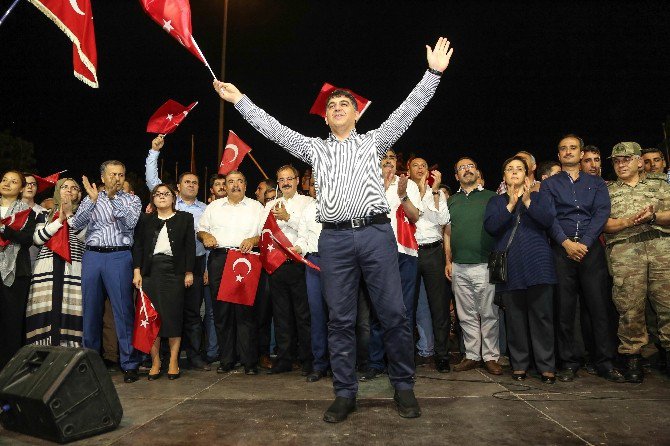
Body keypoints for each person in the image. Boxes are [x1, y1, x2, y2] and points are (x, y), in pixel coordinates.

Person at [213, 37, 454, 422]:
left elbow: (410, 109)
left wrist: (433, 73)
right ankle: (344, 393)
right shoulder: (314, 149)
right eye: (332, 106)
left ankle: (404, 386)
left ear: (356, 114)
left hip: (375, 235)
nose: (338, 108)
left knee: (392, 313)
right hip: (336, 239)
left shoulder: (376, 141)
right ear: (325, 118)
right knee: (339, 319)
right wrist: (239, 99)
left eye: (345, 104)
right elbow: (273, 129)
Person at [539, 134, 624, 383]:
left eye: (573, 148)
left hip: (590, 250)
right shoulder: (549, 184)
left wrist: (584, 243)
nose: (568, 152)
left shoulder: (596, 183)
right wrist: (565, 243)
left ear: (580, 152)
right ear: (558, 155)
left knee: (598, 307)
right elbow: (548, 217)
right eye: (563, 148)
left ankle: (604, 362)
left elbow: (601, 213)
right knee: (565, 309)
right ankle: (569, 362)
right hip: (561, 249)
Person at [484, 157, 557, 383]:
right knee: (515, 320)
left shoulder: (540, 197)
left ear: (527, 175)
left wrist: (526, 201)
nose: (514, 173)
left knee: (542, 318)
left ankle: (546, 366)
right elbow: (491, 226)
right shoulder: (496, 202)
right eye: (509, 170)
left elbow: (547, 220)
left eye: (519, 170)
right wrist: (510, 204)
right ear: (504, 177)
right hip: (512, 267)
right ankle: (519, 365)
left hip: (538, 266)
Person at [69, 160, 142, 383]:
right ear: (102, 177)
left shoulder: (132, 200)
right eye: (112, 175)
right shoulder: (91, 198)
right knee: (91, 311)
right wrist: (91, 202)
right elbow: (76, 224)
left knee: (122, 310)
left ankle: (129, 364)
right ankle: (90, 363)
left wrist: (111, 200)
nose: (117, 179)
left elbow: (129, 223)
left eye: (121, 175)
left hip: (119, 256)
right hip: (92, 256)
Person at [603, 142, 670, 381]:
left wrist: (654, 216)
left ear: (640, 161)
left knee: (667, 305)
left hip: (661, 249)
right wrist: (628, 222)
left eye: (626, 159)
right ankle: (633, 358)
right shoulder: (607, 191)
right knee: (629, 307)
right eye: (616, 160)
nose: (621, 164)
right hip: (626, 253)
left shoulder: (660, 184)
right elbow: (603, 224)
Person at [146, 135, 211, 371]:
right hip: (167, 266)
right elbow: (153, 180)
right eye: (187, 182)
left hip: (195, 263)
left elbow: (210, 239)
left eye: (195, 182)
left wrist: (204, 269)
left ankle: (194, 356)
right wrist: (154, 152)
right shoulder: (170, 206)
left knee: (193, 313)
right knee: (163, 311)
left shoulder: (206, 209)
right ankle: (160, 357)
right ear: (178, 188)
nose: (192, 185)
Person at [361, 149, 422, 381]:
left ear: (397, 162)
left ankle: (401, 364)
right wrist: (383, 189)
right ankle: (376, 362)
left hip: (404, 252)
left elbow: (415, 216)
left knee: (403, 311)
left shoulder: (408, 184)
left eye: (392, 157)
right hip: (376, 254)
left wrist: (402, 194)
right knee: (378, 311)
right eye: (383, 158)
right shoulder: (367, 184)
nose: (388, 161)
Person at [198, 170, 264, 375]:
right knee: (222, 312)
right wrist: (205, 235)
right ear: (224, 186)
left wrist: (253, 241)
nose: (235, 185)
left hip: (246, 259)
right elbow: (200, 229)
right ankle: (227, 360)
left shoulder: (256, 207)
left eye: (239, 181)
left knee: (246, 313)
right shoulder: (214, 207)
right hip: (220, 259)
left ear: (245, 185)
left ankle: (249, 361)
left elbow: (265, 235)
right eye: (230, 182)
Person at [132, 184, 195, 380]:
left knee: (173, 317)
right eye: (157, 194)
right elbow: (139, 247)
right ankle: (156, 361)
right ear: (152, 198)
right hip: (150, 273)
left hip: (174, 272)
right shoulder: (146, 219)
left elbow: (189, 247)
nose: (161, 197)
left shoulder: (185, 218)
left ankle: (174, 361)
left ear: (173, 197)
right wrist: (137, 272)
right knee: (152, 318)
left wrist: (189, 272)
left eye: (166, 194)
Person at [445, 157, 501, 375]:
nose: (467, 171)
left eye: (470, 167)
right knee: (465, 314)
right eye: (462, 168)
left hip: (485, 264)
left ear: (478, 172)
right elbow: (447, 232)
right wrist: (447, 261)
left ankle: (491, 356)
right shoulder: (452, 201)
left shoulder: (491, 197)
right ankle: (472, 355)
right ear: (456, 176)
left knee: (489, 313)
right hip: (459, 266)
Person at [261, 165, 314, 375]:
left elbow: (309, 228)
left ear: (297, 180)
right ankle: (284, 359)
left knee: (303, 315)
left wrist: (287, 218)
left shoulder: (308, 203)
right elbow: (263, 232)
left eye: (289, 178)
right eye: (281, 179)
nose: (285, 183)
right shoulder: (270, 205)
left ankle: (308, 360)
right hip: (276, 266)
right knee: (281, 315)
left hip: (299, 263)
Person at [26, 178, 86, 347]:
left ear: (78, 195)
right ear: (57, 191)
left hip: (73, 267)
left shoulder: (84, 215)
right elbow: (37, 239)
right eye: (64, 187)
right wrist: (59, 220)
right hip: (46, 267)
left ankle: (70, 354)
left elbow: (87, 238)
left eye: (74, 188)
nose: (69, 190)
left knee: (71, 308)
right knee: (44, 309)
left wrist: (69, 216)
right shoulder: (43, 214)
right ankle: (41, 353)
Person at [407, 156, 452, 373]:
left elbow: (443, 220)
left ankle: (442, 355)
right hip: (411, 251)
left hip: (433, 251)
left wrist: (434, 191)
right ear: (408, 169)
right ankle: (406, 355)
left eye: (424, 165)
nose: (421, 168)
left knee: (439, 306)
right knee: (408, 305)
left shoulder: (438, 192)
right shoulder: (404, 191)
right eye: (416, 165)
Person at [0, 170, 37, 369]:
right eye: (4, 180)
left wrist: (5, 230)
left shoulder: (26, 212)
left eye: (13, 182)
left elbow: (27, 239)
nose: (6, 184)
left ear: (21, 188)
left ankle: (9, 370)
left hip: (15, 273)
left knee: (11, 324)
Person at [293, 198, 328, 381]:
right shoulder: (309, 208)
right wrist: (298, 247)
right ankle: (319, 364)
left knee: (341, 315)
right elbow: (303, 236)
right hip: (313, 262)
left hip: (339, 262)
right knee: (317, 315)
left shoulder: (342, 204)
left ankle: (342, 363)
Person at [22, 173, 48, 268]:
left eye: (33, 184)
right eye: (26, 183)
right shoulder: (10, 210)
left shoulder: (44, 212)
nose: (30, 186)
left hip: (37, 261)